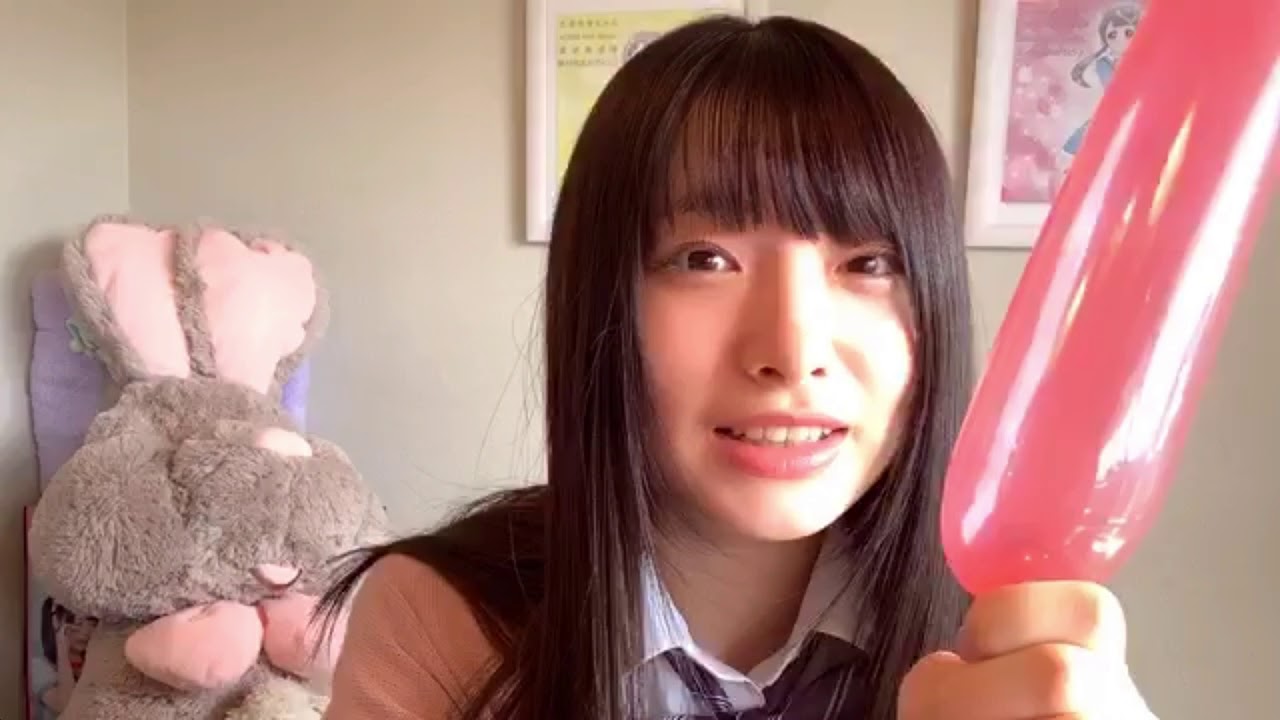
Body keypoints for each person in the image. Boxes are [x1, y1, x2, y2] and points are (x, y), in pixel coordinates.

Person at [319, 14, 1155, 720]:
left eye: (868, 264)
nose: (792, 354)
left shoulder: (1005, 647)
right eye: (704, 260)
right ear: (600, 300)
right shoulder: (447, 622)